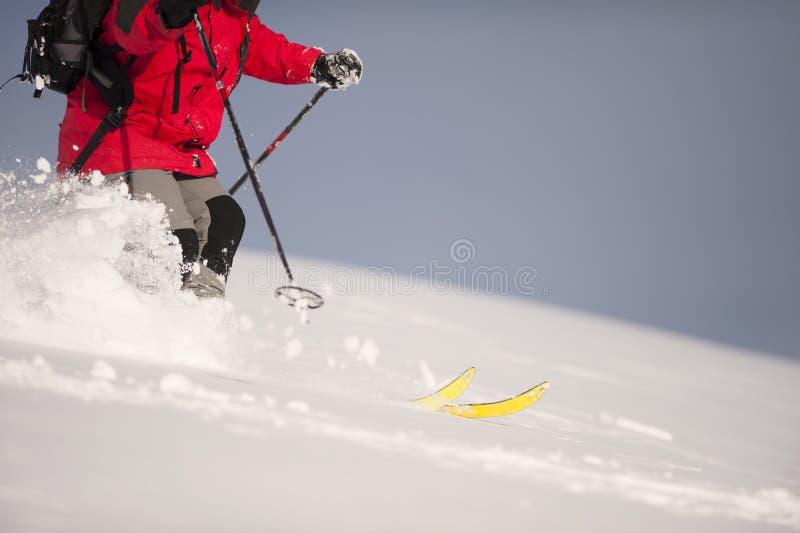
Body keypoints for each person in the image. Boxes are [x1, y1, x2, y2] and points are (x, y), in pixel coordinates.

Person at [56, 0, 362, 297]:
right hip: (116, 137)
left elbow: (273, 51)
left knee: (224, 222)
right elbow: (129, 27)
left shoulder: (233, 19)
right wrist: (169, 13)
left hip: (179, 151)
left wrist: (318, 64)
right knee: (174, 239)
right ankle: (133, 318)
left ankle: (198, 317)